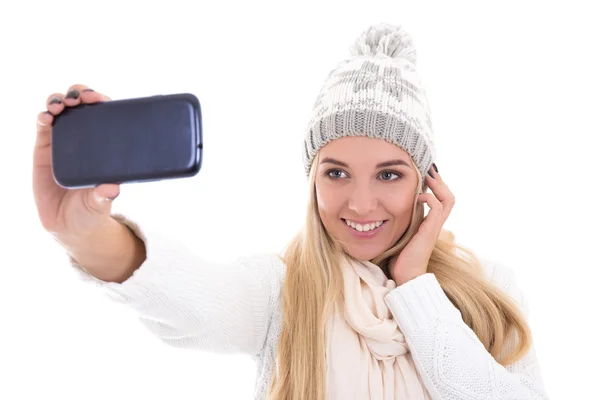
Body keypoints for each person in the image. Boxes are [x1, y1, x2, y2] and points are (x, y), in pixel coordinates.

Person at [33, 23, 549, 400]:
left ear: (426, 182)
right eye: (336, 172)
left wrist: (415, 286)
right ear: (312, 179)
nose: (361, 203)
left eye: (389, 174)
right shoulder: (284, 288)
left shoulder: (489, 289)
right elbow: (194, 296)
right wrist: (82, 234)